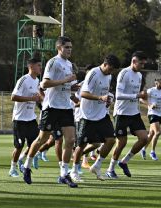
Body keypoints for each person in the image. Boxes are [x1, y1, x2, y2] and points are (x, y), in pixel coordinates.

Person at [21, 36, 78, 188]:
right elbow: (45, 83)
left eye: (71, 47)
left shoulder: (69, 64)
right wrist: (65, 81)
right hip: (51, 107)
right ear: (59, 48)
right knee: (41, 139)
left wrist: (73, 87)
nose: (69, 50)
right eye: (67, 47)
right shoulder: (53, 62)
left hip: (65, 107)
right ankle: (26, 166)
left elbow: (67, 86)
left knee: (71, 140)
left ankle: (63, 174)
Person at [71, 55, 120, 181]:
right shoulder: (93, 73)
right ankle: (74, 171)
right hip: (87, 116)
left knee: (111, 140)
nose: (111, 72)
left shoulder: (109, 76)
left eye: (113, 70)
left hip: (102, 114)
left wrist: (108, 98)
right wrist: (100, 98)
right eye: (111, 68)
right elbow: (83, 93)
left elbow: (105, 92)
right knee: (81, 145)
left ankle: (96, 166)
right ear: (105, 64)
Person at [106, 51, 148, 179]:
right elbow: (118, 96)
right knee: (122, 142)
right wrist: (137, 95)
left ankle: (124, 161)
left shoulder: (140, 75)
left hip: (134, 113)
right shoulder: (124, 73)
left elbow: (136, 93)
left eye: (143, 63)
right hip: (121, 113)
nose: (142, 66)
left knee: (144, 138)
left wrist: (142, 96)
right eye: (141, 63)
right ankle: (110, 169)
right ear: (134, 61)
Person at [8, 58, 42, 177]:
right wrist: (31, 99)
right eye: (38, 65)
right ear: (31, 66)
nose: (40, 68)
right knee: (19, 145)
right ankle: (12, 168)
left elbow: (36, 98)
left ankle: (22, 159)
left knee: (36, 143)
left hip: (31, 119)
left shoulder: (37, 80)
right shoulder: (23, 80)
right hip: (19, 119)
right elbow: (13, 97)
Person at [141, 78, 161, 160]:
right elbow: (141, 99)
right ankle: (152, 152)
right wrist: (150, 105)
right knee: (158, 132)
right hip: (152, 113)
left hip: (160, 114)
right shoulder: (151, 91)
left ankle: (143, 149)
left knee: (152, 134)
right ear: (156, 83)